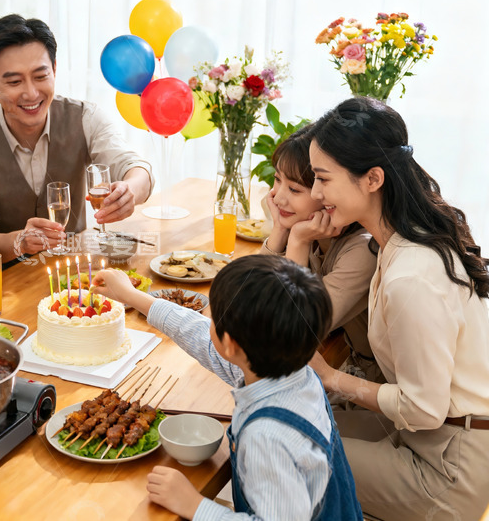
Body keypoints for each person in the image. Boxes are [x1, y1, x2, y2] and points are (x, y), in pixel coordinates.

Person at [305, 97, 489, 520]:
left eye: (323, 179)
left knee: (283, 449)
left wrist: (332, 377)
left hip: (447, 464)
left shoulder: (411, 274)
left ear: (372, 178)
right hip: (428, 436)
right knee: (291, 425)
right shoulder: (396, 243)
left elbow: (424, 409)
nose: (316, 194)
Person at [93, 256, 362, 520]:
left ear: (231, 344)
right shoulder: (291, 369)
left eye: (214, 319)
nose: (208, 324)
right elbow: (197, 334)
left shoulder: (265, 436)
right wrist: (132, 296)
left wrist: (195, 505)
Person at [0, 14, 153, 263]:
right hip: (7, 284)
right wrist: (19, 241)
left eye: (41, 76)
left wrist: (129, 191)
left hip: (76, 274)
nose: (31, 93)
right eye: (14, 81)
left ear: (54, 69)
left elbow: (137, 168)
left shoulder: (85, 117)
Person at [262, 126, 381, 382]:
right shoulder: (314, 228)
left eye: (295, 190)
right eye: (277, 179)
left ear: (325, 193)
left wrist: (297, 241)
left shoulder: (363, 250)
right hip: (342, 371)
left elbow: (285, 333)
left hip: (370, 389)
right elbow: (251, 300)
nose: (278, 198)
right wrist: (280, 231)